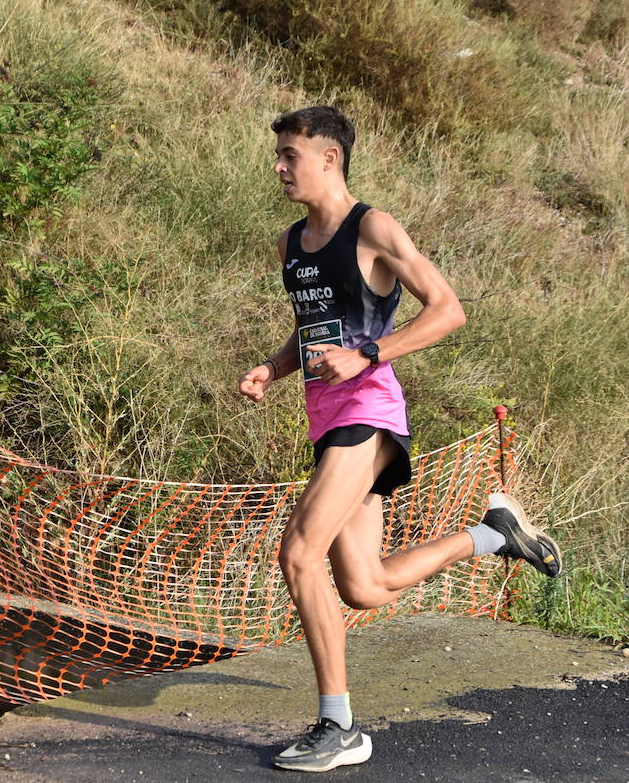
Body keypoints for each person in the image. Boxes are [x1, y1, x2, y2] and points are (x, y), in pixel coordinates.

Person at [237, 106, 562, 773]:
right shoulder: (290, 243)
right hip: (327, 421)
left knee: (299, 553)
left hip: (369, 411)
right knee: (364, 585)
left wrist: (371, 354)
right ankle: (494, 535)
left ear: (328, 158)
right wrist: (274, 367)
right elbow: (313, 328)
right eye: (278, 155)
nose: (278, 167)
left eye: (289, 155)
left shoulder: (373, 229)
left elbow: (448, 309)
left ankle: (338, 726)